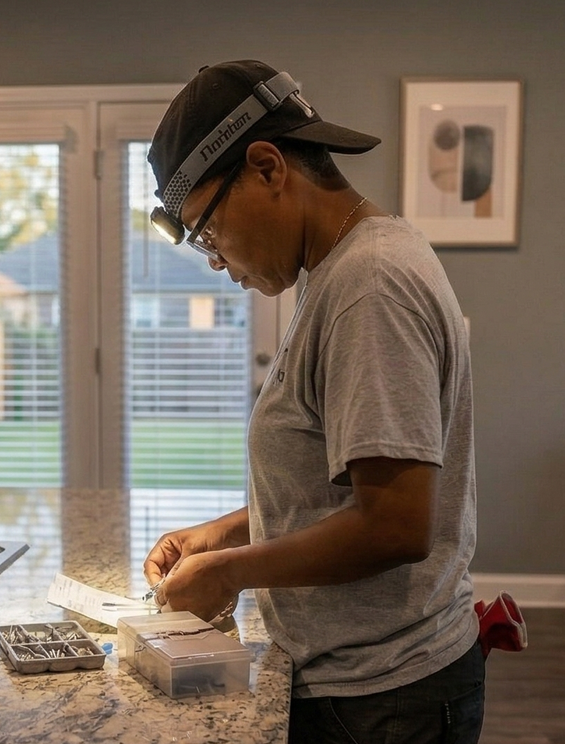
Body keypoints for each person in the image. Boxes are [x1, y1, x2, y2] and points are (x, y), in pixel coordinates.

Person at [142, 60, 483, 744]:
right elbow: (342, 485)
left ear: (267, 167)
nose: (215, 259)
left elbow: (394, 524)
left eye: (208, 230)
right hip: (371, 683)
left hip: (385, 698)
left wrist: (228, 573)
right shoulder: (342, 271)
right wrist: (227, 532)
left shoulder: (370, 285)